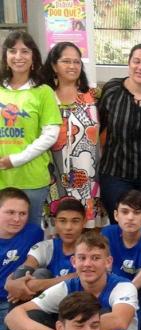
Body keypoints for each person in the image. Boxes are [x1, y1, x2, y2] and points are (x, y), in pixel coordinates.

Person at [5, 231, 139, 330]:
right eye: (82, 258)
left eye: (96, 258)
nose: (87, 264)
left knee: (96, 312)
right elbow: (13, 316)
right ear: (74, 262)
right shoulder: (66, 287)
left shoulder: (123, 286)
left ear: (108, 262)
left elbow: (119, 321)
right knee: (34, 316)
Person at [98, 43, 141, 226]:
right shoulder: (112, 90)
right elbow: (97, 127)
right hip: (115, 173)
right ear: (129, 63)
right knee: (120, 225)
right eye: (136, 61)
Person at [42, 41, 107, 231]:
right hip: (54, 175)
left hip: (89, 175)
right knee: (59, 232)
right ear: (54, 65)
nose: (72, 66)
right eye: (66, 61)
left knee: (90, 231)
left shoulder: (94, 96)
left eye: (77, 62)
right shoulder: (43, 97)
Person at [0, 31, 62, 226]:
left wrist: (16, 160)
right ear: (5, 56)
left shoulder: (43, 91)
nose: (18, 57)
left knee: (30, 229)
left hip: (31, 177)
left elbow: (50, 135)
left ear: (33, 56)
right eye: (13, 51)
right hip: (2, 176)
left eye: (25, 51)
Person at [101, 189, 141, 330]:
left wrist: (127, 290)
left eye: (136, 213)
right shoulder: (107, 233)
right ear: (116, 215)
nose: (130, 217)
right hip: (113, 294)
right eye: (125, 212)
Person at [5, 198, 85, 302]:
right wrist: (10, 283)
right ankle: (15, 316)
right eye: (62, 221)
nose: (68, 227)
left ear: (84, 222)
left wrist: (41, 284)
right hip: (48, 307)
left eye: (75, 221)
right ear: (55, 222)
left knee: (38, 277)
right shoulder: (46, 246)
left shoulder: (92, 247)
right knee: (35, 274)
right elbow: (25, 268)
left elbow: (86, 276)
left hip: (79, 306)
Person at [0, 188, 43, 330]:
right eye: (10, 212)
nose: (17, 219)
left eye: (22, 214)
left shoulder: (34, 233)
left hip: (15, 302)